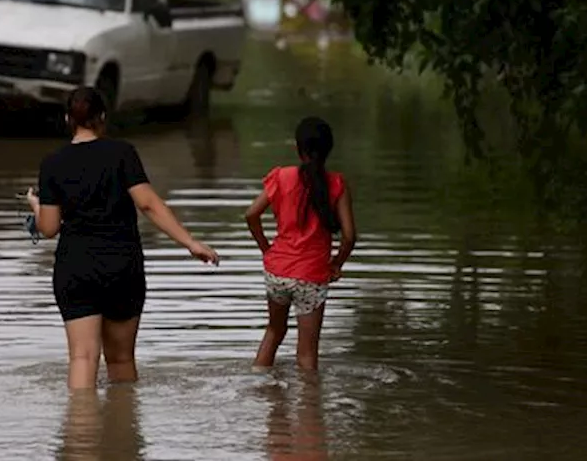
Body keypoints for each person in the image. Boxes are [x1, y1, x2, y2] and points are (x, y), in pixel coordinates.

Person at [26, 86, 220, 391]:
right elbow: (148, 204)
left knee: (82, 358)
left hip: (76, 268)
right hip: (121, 267)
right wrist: (190, 243)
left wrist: (36, 206)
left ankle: (81, 434)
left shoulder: (53, 163)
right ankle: (124, 432)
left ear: (68, 120)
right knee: (120, 360)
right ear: (102, 118)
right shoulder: (122, 153)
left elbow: (49, 228)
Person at [244, 116, 357, 371]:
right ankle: (309, 409)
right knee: (307, 355)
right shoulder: (337, 184)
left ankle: (260, 392)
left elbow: (251, 215)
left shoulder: (282, 177)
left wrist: (266, 248)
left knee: (273, 332)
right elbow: (349, 236)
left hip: (277, 272)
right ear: (328, 149)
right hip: (311, 276)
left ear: (298, 148)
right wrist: (337, 263)